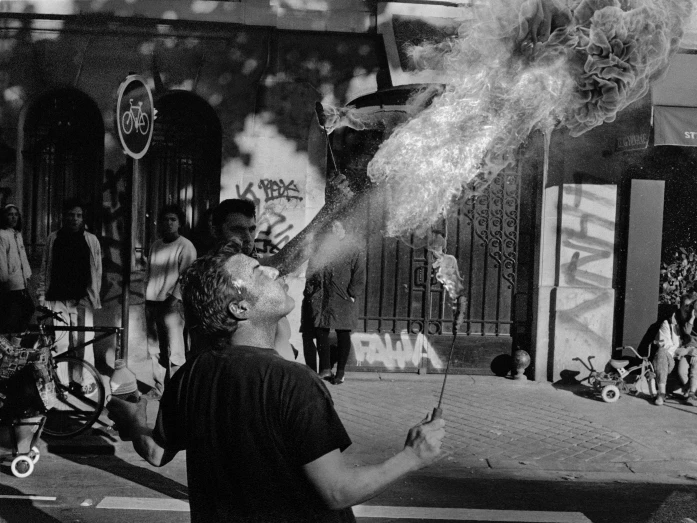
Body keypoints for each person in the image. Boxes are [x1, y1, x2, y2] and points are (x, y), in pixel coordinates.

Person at [107, 240, 445, 523]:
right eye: (256, 271)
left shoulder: (191, 374)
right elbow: (336, 491)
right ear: (240, 307)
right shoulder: (294, 382)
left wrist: (133, 422)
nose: (271, 270)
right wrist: (412, 456)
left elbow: (155, 453)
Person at [210, 199, 297, 361]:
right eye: (237, 229)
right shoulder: (212, 278)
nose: (247, 238)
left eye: (251, 229)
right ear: (215, 231)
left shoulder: (252, 264)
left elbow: (297, 253)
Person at [37, 198, 102, 392]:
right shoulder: (53, 238)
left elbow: (97, 270)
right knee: (61, 342)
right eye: (71, 215)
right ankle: (63, 382)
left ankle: (86, 381)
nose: (75, 219)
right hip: (58, 298)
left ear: (83, 218)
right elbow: (45, 268)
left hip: (82, 299)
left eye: (78, 215)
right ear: (63, 216)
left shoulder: (90, 240)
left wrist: (93, 295)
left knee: (84, 341)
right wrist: (42, 296)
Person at [144, 204, 197, 399]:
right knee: (155, 348)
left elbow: (187, 276)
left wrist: (174, 300)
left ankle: (177, 390)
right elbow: (149, 273)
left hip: (173, 305)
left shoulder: (186, 246)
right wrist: (147, 297)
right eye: (165, 219)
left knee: (175, 350)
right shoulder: (156, 245)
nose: (169, 223)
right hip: (152, 302)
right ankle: (159, 388)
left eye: (173, 219)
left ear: (180, 223)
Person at [304, 220, 365, 384]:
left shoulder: (353, 249)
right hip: (322, 297)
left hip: (343, 296)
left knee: (343, 333)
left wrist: (352, 293)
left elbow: (359, 274)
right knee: (321, 331)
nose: (333, 229)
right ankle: (325, 369)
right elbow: (311, 270)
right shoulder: (322, 247)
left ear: (345, 228)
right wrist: (311, 292)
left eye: (337, 226)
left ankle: (340, 371)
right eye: (331, 226)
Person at [0, 203, 34, 334]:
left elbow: (22, 256)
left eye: (16, 215)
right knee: (25, 309)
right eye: (10, 215)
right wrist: (4, 280)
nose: (14, 218)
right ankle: (13, 340)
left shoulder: (17, 234)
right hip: (10, 282)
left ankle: (12, 341)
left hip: (21, 281)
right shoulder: (2, 235)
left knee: (11, 313)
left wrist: (27, 273)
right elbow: (1, 259)